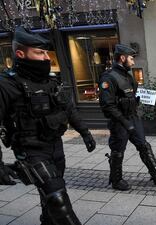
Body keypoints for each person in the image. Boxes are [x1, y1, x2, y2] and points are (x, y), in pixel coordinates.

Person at [0, 27, 96, 225]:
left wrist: (85, 132)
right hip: (31, 152)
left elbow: (68, 108)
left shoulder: (50, 82)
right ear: (20, 53)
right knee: (58, 199)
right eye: (39, 52)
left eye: (46, 53)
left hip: (55, 147)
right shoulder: (7, 85)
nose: (46, 58)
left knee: (51, 193)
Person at [99, 44, 156, 190]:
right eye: (131, 58)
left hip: (133, 117)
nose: (133, 62)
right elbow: (107, 106)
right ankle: (116, 180)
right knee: (118, 151)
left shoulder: (128, 75)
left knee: (144, 145)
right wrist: (124, 122)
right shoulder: (109, 77)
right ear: (122, 58)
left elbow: (132, 95)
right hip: (119, 121)